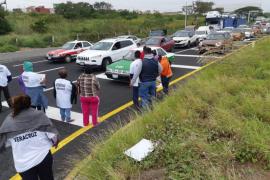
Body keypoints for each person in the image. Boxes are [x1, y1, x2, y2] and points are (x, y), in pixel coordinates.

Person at [0, 95, 59, 180]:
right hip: (43, 156)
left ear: (14, 106)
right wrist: (55, 142)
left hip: (23, 163)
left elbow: (4, 143)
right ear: (29, 103)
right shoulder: (39, 115)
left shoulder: (8, 122)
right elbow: (53, 135)